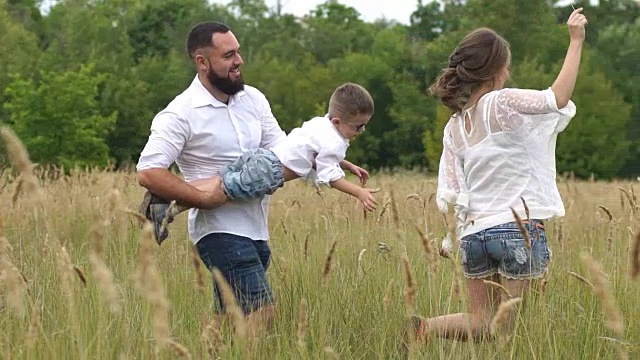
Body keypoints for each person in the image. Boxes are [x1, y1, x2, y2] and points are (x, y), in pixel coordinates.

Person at [408, 8, 588, 344]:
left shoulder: (454, 127)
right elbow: (557, 98)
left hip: (474, 236)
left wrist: (453, 237)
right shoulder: (502, 102)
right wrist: (575, 40)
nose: (508, 72)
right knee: (512, 332)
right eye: (506, 65)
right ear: (494, 70)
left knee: (483, 323)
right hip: (517, 229)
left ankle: (424, 328)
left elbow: (452, 191)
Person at [143, 82, 379, 243]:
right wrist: (358, 193)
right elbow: (329, 176)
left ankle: (164, 199)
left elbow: (322, 156)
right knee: (221, 192)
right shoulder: (335, 142)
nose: (363, 130)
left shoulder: (323, 124)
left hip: (263, 158)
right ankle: (168, 210)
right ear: (338, 121)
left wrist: (347, 164)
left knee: (222, 180)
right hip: (269, 173)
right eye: (358, 126)